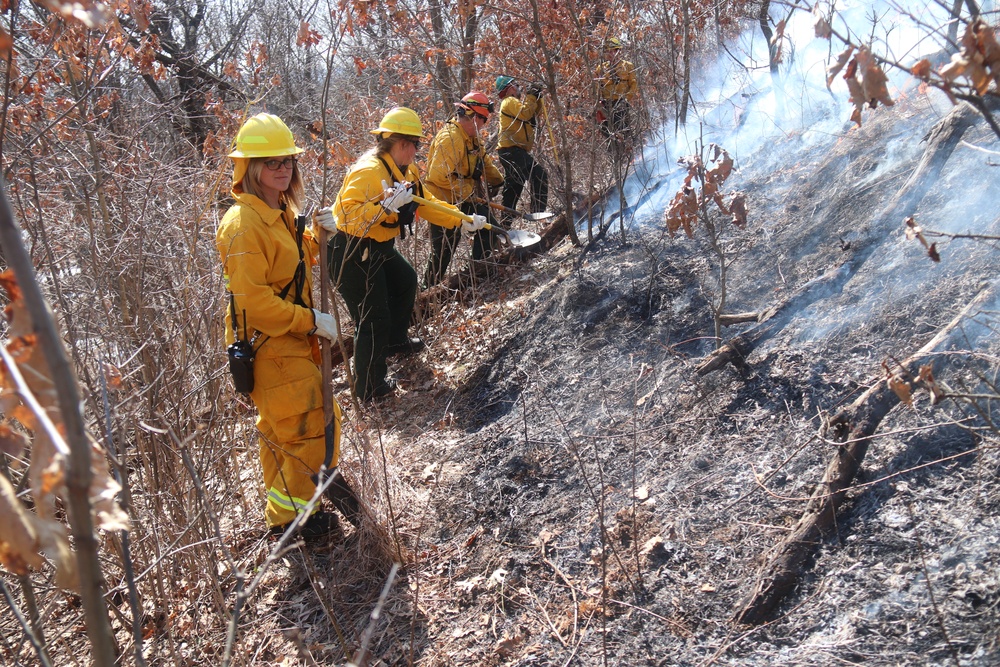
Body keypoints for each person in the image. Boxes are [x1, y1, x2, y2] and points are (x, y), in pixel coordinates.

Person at [217, 112, 356, 541]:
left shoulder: (278, 210)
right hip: (270, 344)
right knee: (308, 429)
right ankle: (298, 520)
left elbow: (290, 267)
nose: (282, 168)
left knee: (286, 432)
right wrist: (311, 320)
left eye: (288, 160)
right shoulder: (242, 225)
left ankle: (286, 516)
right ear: (249, 167)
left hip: (291, 340)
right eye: (271, 161)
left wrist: (317, 236)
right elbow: (254, 302)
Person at [314, 107, 485, 401]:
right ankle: (369, 387)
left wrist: (462, 219)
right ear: (403, 144)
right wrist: (383, 208)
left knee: (406, 280)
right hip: (351, 250)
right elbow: (344, 216)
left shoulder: (406, 169)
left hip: (378, 245)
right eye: (416, 145)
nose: (417, 151)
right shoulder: (369, 171)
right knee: (372, 318)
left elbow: (424, 202)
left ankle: (394, 342)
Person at [423, 91, 505, 287]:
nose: (484, 124)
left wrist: (498, 180)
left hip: (462, 197)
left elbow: (483, 159)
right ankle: (427, 290)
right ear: (473, 116)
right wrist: (468, 191)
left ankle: (476, 274)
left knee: (489, 228)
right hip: (441, 200)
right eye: (484, 119)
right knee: (445, 246)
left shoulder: (471, 137)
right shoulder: (451, 138)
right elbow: (437, 177)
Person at [496, 75, 549, 220]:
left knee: (515, 187)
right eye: (515, 85)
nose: (519, 87)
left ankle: (506, 223)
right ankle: (537, 214)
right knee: (538, 175)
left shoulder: (515, 103)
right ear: (509, 89)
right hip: (511, 151)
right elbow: (525, 113)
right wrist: (531, 96)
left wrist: (536, 98)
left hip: (515, 151)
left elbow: (532, 114)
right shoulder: (509, 101)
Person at [595, 37, 638, 145]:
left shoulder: (627, 66)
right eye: (608, 51)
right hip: (606, 104)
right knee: (607, 131)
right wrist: (598, 103)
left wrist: (626, 100)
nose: (610, 54)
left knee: (623, 130)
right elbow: (596, 87)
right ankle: (613, 152)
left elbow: (633, 85)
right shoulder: (601, 69)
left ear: (618, 51)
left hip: (621, 103)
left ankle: (628, 151)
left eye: (612, 51)